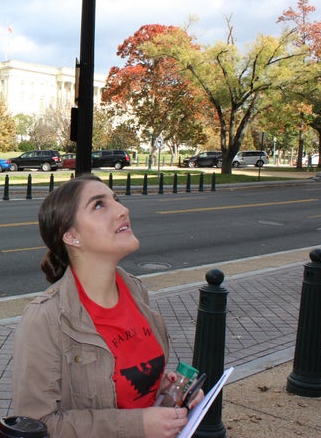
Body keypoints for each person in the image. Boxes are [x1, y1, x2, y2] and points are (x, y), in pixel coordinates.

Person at [12, 174, 201, 438]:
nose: (123, 210)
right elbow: (35, 424)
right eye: (99, 205)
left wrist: (168, 392)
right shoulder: (46, 318)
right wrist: (138, 426)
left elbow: (121, 388)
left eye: (116, 200)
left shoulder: (135, 290)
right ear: (72, 236)